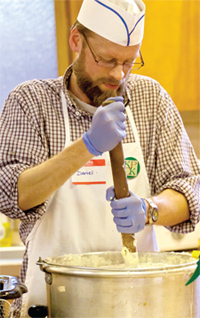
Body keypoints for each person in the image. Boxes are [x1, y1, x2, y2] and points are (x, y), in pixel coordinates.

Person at [0, 0, 199, 316]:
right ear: (76, 40)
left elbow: (191, 192)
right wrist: (88, 146)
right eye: (107, 59)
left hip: (139, 304)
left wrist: (151, 209)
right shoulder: (31, 102)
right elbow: (12, 195)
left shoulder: (152, 99)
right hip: (54, 302)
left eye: (130, 62)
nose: (119, 74)